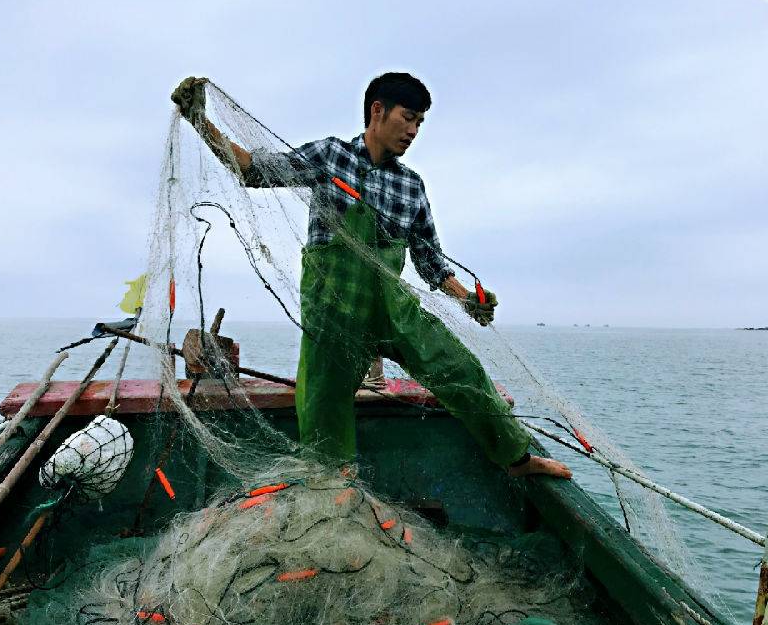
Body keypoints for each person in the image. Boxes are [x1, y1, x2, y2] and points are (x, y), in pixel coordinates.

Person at [171, 72, 571, 479]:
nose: (413, 131)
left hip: (392, 311)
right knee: (325, 399)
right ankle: (334, 480)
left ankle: (516, 459)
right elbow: (255, 170)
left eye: (420, 123)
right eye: (408, 117)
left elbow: (430, 260)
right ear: (377, 111)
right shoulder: (331, 157)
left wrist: (467, 298)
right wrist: (201, 121)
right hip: (333, 312)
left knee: (460, 369)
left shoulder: (411, 186)